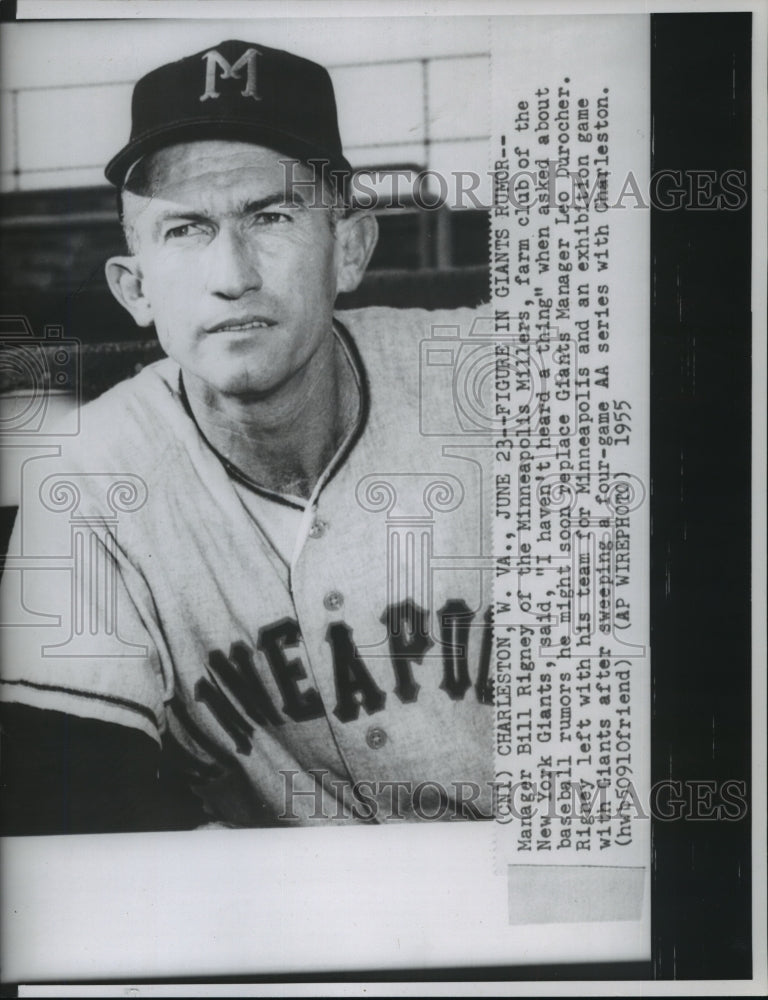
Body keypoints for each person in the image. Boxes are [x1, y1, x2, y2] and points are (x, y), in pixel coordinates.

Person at [0, 39, 494, 834]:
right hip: (286, 940)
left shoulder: (497, 380)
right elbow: (73, 805)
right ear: (135, 289)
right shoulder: (89, 472)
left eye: (272, 216)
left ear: (352, 249)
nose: (232, 273)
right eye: (186, 229)